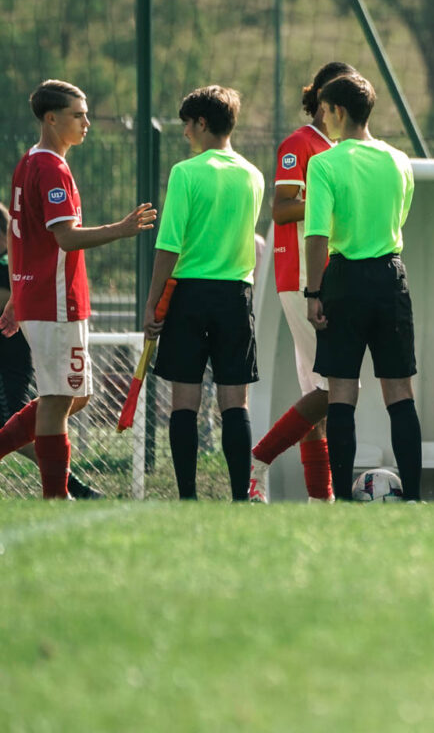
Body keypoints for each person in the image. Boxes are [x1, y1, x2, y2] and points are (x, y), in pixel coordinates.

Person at [0, 80, 156, 498]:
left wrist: (16, 294)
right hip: (53, 300)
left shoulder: (29, 161)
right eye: (78, 114)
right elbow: (65, 238)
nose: (87, 121)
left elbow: (18, 238)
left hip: (42, 297)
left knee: (75, 396)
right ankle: (57, 496)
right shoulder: (50, 167)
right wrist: (120, 230)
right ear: (51, 119)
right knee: (57, 399)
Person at [301, 74, 423, 502]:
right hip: (391, 275)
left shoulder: (324, 163)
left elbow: (316, 235)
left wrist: (313, 293)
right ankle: (415, 497)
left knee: (342, 391)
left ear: (336, 111)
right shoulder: (398, 160)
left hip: (344, 278)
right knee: (399, 391)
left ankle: (341, 499)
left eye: (324, 110)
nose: (322, 118)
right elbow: (400, 215)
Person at [143, 87, 265, 501]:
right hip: (236, 295)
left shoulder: (185, 173)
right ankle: (239, 497)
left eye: (187, 125)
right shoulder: (253, 175)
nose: (184, 134)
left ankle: (188, 498)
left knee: (185, 401)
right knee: (235, 402)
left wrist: (152, 301)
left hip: (189, 295)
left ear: (202, 124)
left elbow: (169, 246)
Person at [249, 62, 355, 503]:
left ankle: (319, 498)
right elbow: (281, 207)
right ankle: (255, 462)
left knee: (319, 392)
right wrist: (330, 201)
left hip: (329, 277)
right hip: (305, 279)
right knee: (335, 388)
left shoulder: (337, 147)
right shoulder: (299, 143)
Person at [0, 204, 100, 499]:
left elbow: (11, 300)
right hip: (15, 364)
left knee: (44, 413)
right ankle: (67, 489)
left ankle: (69, 486)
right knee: (48, 411)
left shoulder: (9, 266)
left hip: (9, 369)